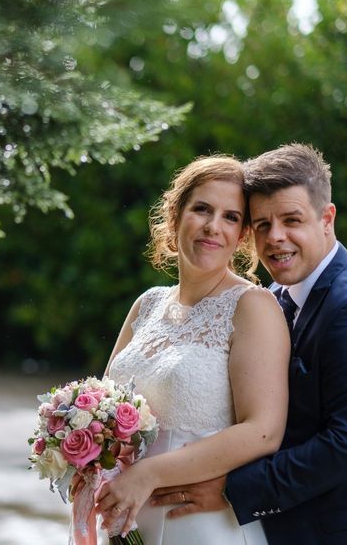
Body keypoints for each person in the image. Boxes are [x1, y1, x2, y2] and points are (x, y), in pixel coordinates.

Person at [149, 144, 347, 544]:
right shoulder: (272, 298)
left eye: (291, 220)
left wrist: (232, 489)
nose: (276, 237)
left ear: (326, 218)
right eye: (262, 224)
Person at [96, 155, 290, 544]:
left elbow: (264, 431)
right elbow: (103, 408)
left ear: (242, 235)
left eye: (230, 217)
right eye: (201, 209)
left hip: (201, 526)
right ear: (175, 216)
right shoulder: (147, 305)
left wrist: (149, 474)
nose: (212, 226)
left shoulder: (252, 306)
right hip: (126, 522)